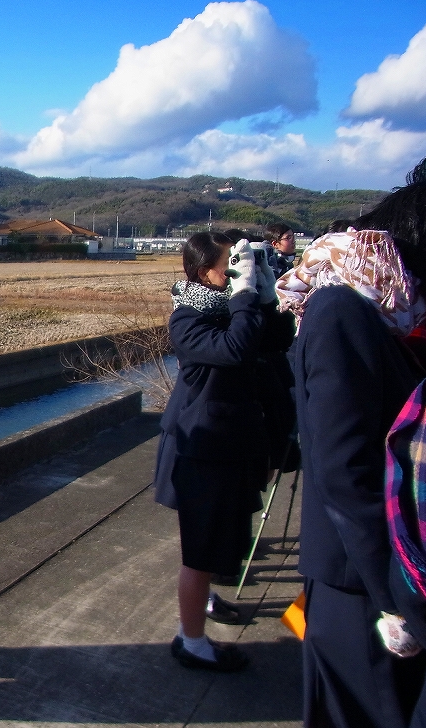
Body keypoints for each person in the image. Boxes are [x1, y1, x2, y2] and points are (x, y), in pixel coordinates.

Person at [276, 152, 426, 727]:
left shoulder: (380, 312)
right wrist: (400, 600)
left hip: (371, 574)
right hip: (361, 584)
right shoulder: (341, 312)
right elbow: (344, 473)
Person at [155, 231, 292, 672]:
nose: (236, 273)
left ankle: (207, 602)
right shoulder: (187, 318)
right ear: (203, 273)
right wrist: (245, 295)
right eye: (229, 266)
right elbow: (236, 349)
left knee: (223, 540)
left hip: (233, 442)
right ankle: (190, 641)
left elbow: (274, 340)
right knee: (200, 552)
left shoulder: (232, 309)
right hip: (202, 449)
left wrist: (266, 294)